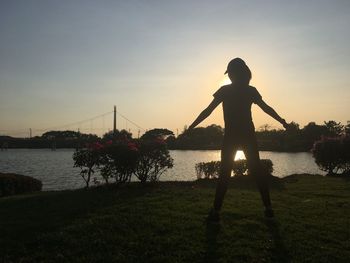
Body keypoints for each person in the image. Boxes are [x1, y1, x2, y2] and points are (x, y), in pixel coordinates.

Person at [188, 58, 290, 222]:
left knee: (225, 173)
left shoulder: (225, 90)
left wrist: (191, 127)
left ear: (233, 74)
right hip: (248, 135)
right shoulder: (250, 90)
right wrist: (282, 121)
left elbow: (207, 111)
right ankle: (268, 210)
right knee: (256, 171)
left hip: (231, 136)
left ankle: (215, 212)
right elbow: (266, 108)